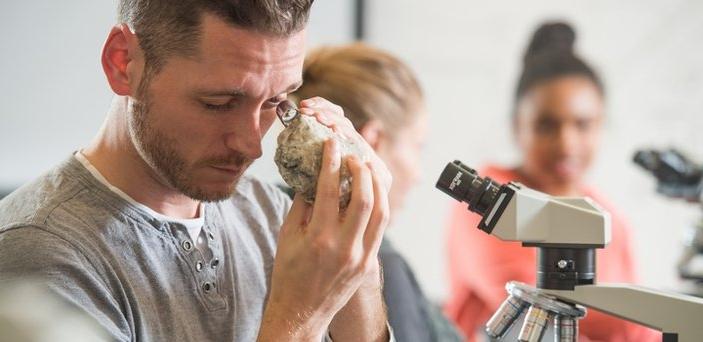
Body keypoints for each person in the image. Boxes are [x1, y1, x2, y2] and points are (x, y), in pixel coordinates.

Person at [0, 1, 394, 341]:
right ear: (123, 62)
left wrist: (358, 259)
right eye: (219, 102)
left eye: (275, 101)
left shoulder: (267, 210)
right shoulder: (39, 258)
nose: (252, 145)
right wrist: (299, 318)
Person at [444, 22, 658, 341]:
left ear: (602, 125)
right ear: (518, 127)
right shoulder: (492, 204)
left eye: (583, 125)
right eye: (547, 125)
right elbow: (546, 302)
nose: (566, 144)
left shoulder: (610, 219)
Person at [292, 43, 464, 342]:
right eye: (417, 146)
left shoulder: (283, 228)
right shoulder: (380, 265)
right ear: (372, 141)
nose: (418, 174)